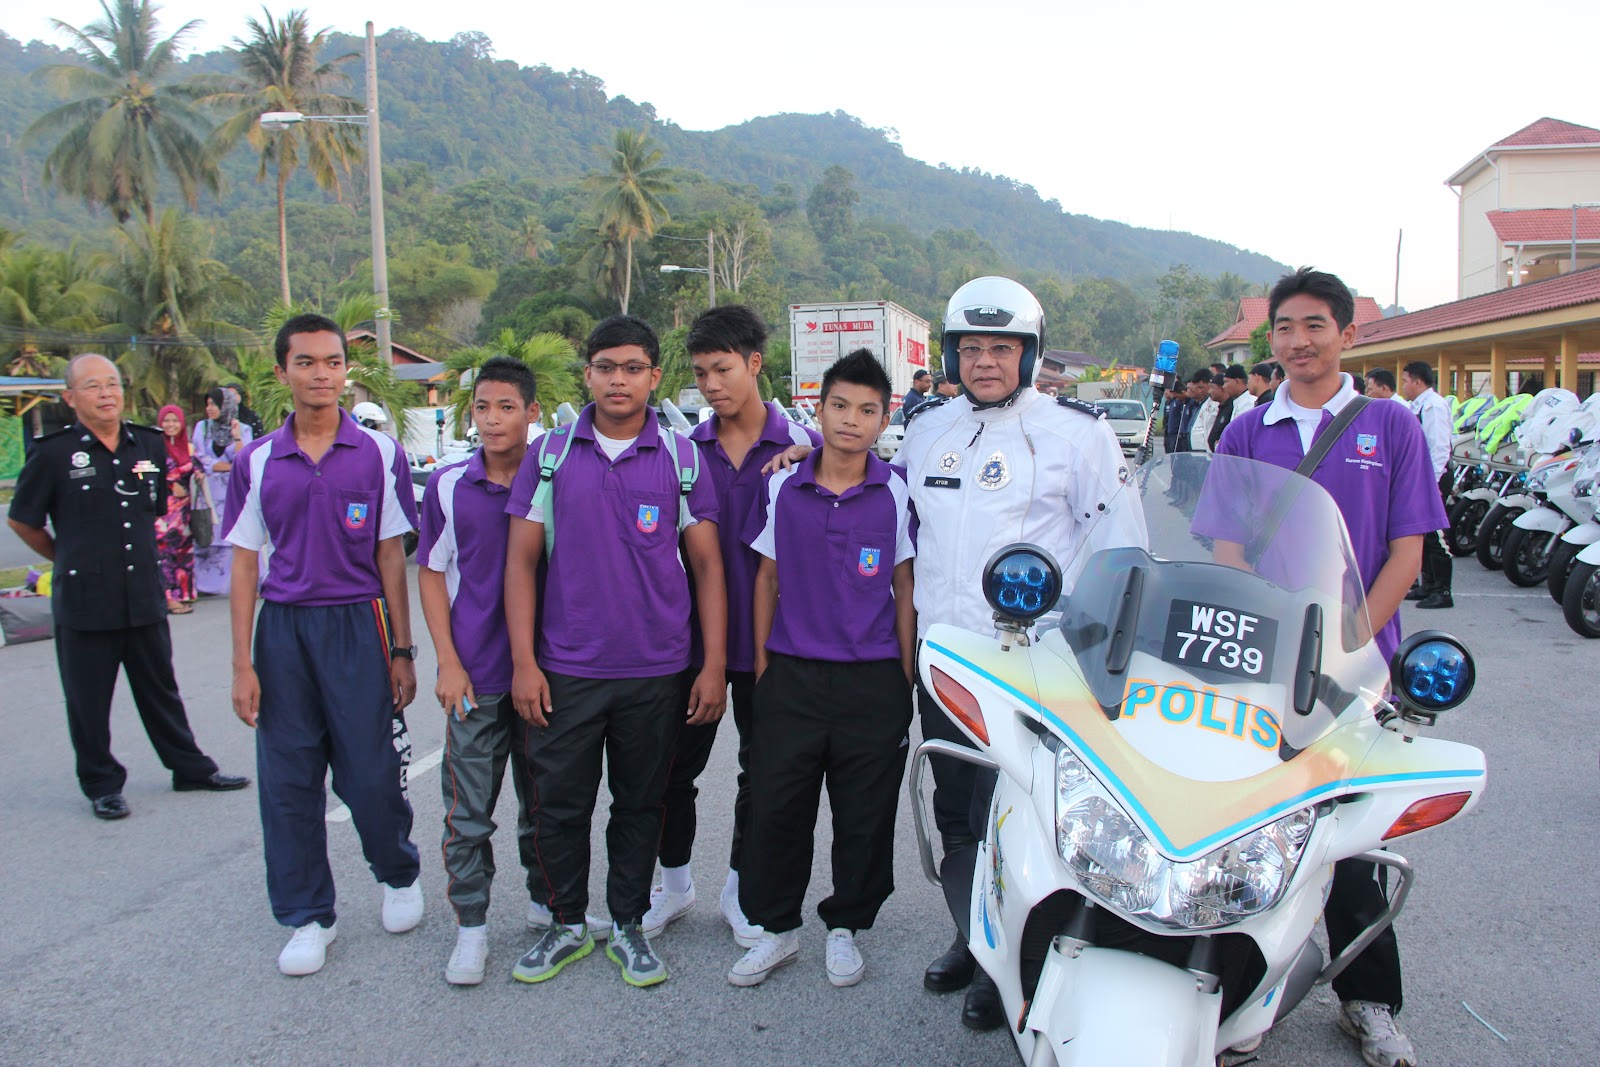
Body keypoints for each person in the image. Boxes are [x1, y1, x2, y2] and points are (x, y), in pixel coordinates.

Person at [895, 277, 1143, 1030]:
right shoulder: (927, 428)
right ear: (951, 353)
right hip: (946, 665)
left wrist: (1109, 665)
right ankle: (972, 940)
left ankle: (1017, 964)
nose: (986, 362)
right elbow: (892, 520)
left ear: (1030, 353)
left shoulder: (1078, 433)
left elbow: (1122, 550)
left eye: (1003, 348)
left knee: (1017, 819)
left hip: (1033, 672)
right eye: (971, 347)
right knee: (956, 816)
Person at [1217, 268, 1445, 1067]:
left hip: (1357, 673)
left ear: (1349, 334)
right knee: (1244, 832)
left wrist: (1349, 642)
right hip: (1266, 666)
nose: (1298, 342)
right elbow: (1228, 545)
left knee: (1349, 839)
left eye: (1315, 325)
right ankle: (1234, 998)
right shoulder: (1247, 430)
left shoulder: (1393, 425)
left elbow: (1407, 550)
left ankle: (1369, 1002)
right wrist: (1265, 637)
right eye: (1284, 327)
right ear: (1270, 337)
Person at [503, 315, 727, 989]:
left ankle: (628, 923)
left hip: (657, 669)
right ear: (588, 373)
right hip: (566, 666)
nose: (619, 379)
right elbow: (518, 563)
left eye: (633, 367)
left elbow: (709, 568)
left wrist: (712, 663)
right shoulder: (549, 455)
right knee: (560, 804)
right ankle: (566, 922)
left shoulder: (682, 457)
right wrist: (523, 661)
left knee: (640, 802)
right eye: (606, 366)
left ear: (655, 377)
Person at [223, 313, 424, 978]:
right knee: (288, 780)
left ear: (346, 370)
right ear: (282, 371)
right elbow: (246, 564)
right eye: (306, 362)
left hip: (356, 625)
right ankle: (309, 915)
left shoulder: (378, 453)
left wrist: (402, 647)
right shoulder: (255, 460)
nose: (321, 374)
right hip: (283, 631)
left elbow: (391, 555)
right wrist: (242, 663)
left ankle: (397, 872)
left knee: (369, 772)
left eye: (332, 362)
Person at [728, 349, 915, 990]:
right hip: (792, 676)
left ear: (884, 418)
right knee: (778, 807)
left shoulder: (895, 491)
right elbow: (766, 578)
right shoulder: (783, 484)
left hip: (873, 679)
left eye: (867, 410)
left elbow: (904, 585)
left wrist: (905, 675)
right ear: (820, 408)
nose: (852, 420)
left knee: (863, 813)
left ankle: (845, 928)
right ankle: (776, 930)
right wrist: (760, 665)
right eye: (840, 405)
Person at [7, 354, 247, 821]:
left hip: (141, 591)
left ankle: (189, 767)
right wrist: (65, 556)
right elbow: (22, 519)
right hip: (85, 599)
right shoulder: (54, 453)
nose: (106, 394)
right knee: (88, 698)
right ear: (70, 397)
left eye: (112, 384)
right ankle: (101, 783)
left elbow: (154, 505)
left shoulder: (147, 445)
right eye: (93, 386)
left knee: (161, 688)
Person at [645, 305, 819, 948]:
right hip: (691, 645)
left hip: (776, 647)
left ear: (753, 363)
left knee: (763, 773)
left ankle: (743, 887)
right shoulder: (683, 454)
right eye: (699, 373)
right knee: (668, 770)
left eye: (722, 369)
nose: (711, 385)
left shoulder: (808, 447)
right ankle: (675, 882)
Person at [418, 356, 564, 986]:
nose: (494, 419)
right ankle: (471, 929)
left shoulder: (557, 476)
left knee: (544, 804)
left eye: (508, 406)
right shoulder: (450, 484)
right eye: (483, 407)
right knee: (469, 811)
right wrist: (447, 661)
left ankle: (544, 901)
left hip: (548, 673)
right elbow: (429, 570)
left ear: (532, 413)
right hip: (475, 677)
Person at [1402, 361, 1454, 610]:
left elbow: (1440, 446)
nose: (1404, 387)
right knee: (1422, 532)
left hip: (1434, 476)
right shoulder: (1420, 405)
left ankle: (1443, 590)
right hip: (1421, 477)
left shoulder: (1433, 406)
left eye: (1406, 381)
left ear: (1418, 382)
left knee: (1435, 535)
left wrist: (1431, 483)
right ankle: (1428, 584)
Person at [191, 387, 251, 596]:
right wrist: (226, 466)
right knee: (207, 533)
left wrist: (236, 438)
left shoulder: (242, 429)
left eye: (214, 404)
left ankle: (234, 583)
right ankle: (204, 585)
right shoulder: (202, 428)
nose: (209, 408)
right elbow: (199, 457)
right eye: (207, 404)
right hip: (208, 491)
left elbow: (244, 459)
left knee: (231, 537)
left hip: (233, 492)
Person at [154, 404, 197, 613]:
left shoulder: (187, 448)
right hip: (164, 510)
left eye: (175, 421)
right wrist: (170, 483)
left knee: (184, 552)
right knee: (165, 553)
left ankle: (183, 594)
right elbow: (145, 473)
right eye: (166, 420)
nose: (171, 425)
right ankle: (168, 598)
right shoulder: (154, 447)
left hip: (185, 511)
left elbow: (196, 468)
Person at [1188, 372, 1220, 452]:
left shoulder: (1215, 404)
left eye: (1201, 387)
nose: (1200, 391)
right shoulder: (1201, 404)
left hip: (1206, 449)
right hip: (1196, 448)